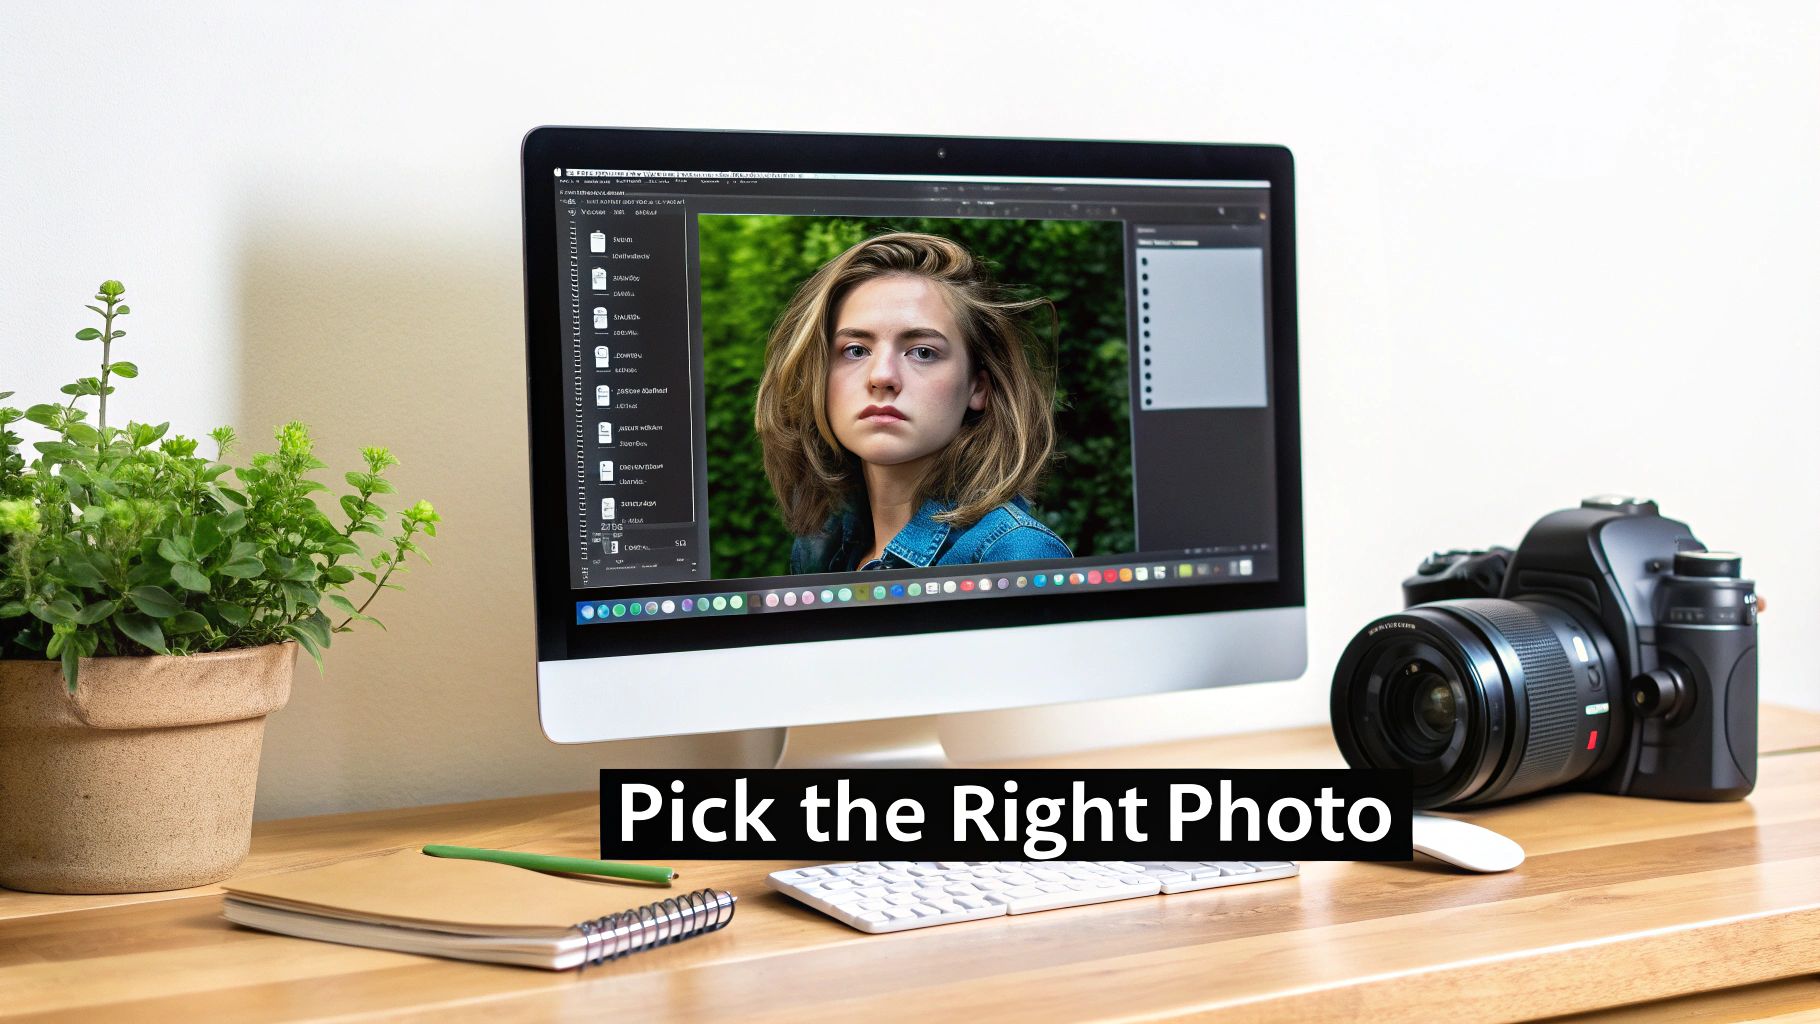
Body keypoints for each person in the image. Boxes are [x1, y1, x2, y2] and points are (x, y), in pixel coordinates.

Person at [755, 231, 1073, 573]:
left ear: (978, 387)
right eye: (856, 350)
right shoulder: (821, 549)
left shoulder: (1013, 554)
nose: (882, 377)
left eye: (922, 352)